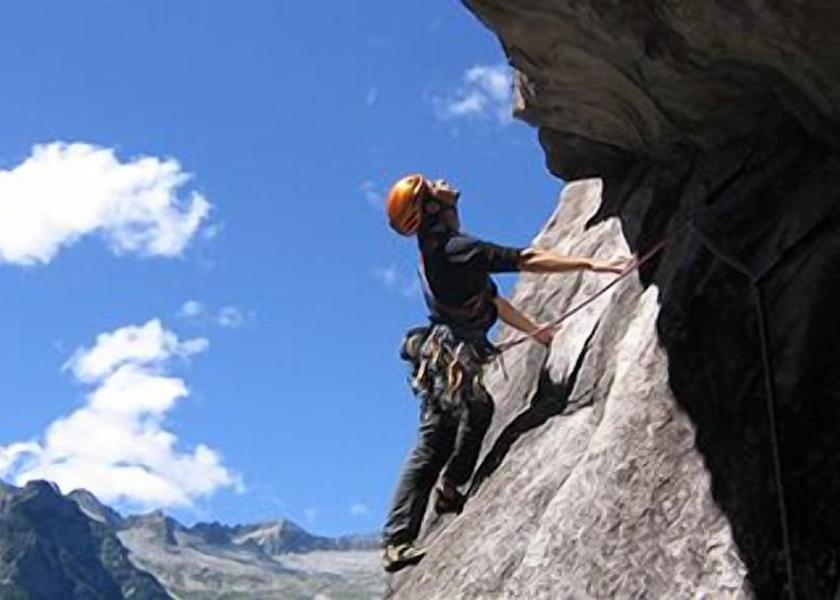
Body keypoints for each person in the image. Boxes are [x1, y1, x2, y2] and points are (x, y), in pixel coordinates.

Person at [380, 174, 630, 573]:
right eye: (435, 190)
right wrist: (593, 263)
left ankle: (447, 491)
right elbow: (525, 259)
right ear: (429, 209)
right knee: (437, 439)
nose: (445, 184)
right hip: (449, 358)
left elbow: (491, 300)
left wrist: (538, 334)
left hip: (446, 356)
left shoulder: (440, 248)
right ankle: (397, 538)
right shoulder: (456, 249)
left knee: (474, 413)